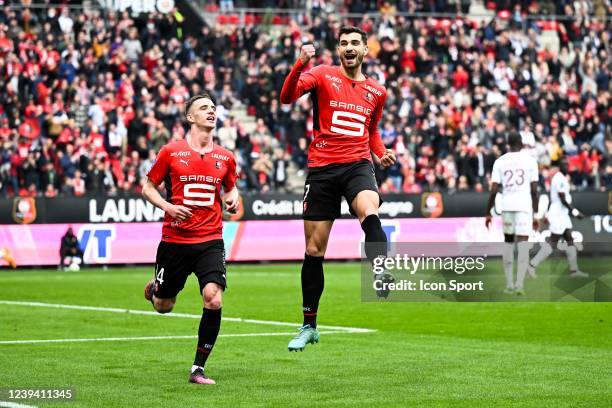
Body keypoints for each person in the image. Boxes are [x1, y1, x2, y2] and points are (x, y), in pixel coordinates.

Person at [280, 26, 396, 352]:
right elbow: (286, 97)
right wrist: (299, 64)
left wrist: (380, 151)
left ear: (365, 50)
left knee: (368, 208)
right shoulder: (321, 75)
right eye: (344, 43)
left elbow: (371, 130)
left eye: (354, 43)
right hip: (322, 170)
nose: (349, 47)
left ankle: (380, 269)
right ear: (339, 49)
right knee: (314, 250)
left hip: (358, 165)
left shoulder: (377, 91)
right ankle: (309, 325)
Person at [142, 93, 239, 385]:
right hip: (175, 241)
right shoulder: (170, 152)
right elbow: (148, 188)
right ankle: (156, 288)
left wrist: (232, 200)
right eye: (203, 108)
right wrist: (169, 207)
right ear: (190, 117)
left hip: (210, 239)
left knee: (213, 298)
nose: (211, 111)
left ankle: (198, 368)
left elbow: (231, 190)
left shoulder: (226, 157)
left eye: (213, 108)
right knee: (164, 306)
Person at [486, 131, 539, 295]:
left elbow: (494, 190)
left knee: (508, 243)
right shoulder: (530, 161)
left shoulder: (500, 161)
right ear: (522, 143)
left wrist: (487, 212)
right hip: (524, 206)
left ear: (508, 144)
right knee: (523, 245)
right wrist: (536, 214)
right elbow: (534, 190)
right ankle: (519, 285)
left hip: (507, 205)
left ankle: (509, 284)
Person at [529, 158, 588, 277]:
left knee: (570, 240)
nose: (567, 167)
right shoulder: (559, 178)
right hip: (558, 215)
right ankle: (532, 265)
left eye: (567, 165)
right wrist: (575, 212)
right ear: (560, 167)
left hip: (563, 214)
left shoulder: (562, 178)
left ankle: (574, 271)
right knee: (552, 244)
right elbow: (562, 198)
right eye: (564, 165)